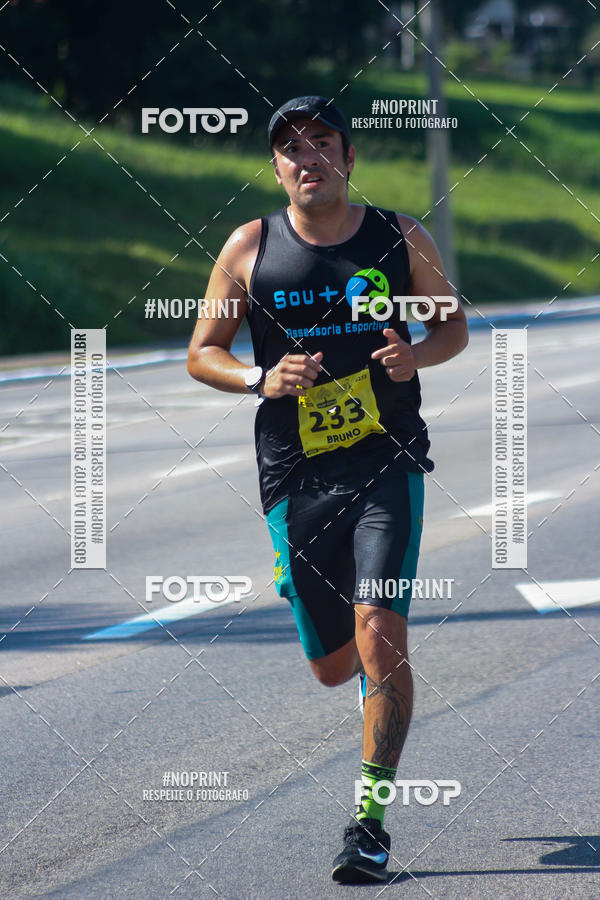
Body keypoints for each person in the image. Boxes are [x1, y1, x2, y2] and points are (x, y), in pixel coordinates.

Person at [187, 95, 468, 884]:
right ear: (276, 168)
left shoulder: (398, 237)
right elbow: (202, 351)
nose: (306, 157)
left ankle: (368, 826)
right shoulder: (250, 248)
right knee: (334, 667)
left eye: (321, 142)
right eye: (291, 148)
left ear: (348, 158)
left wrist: (418, 357)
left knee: (380, 633)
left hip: (387, 464)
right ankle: (337, 636)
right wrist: (259, 378)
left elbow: (450, 324)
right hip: (296, 475)